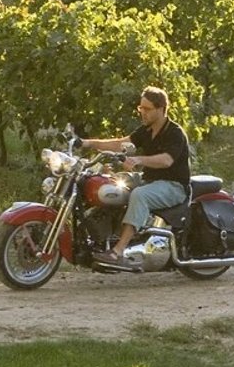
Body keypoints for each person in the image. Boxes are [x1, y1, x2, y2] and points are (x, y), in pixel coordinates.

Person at [80, 85, 191, 271]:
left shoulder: (175, 132)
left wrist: (138, 159)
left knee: (140, 195)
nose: (143, 113)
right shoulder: (146, 130)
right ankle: (104, 238)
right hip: (150, 180)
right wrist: (87, 143)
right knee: (110, 183)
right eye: (141, 108)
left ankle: (118, 251)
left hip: (173, 186)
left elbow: (166, 160)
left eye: (147, 109)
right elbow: (120, 143)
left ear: (162, 109)